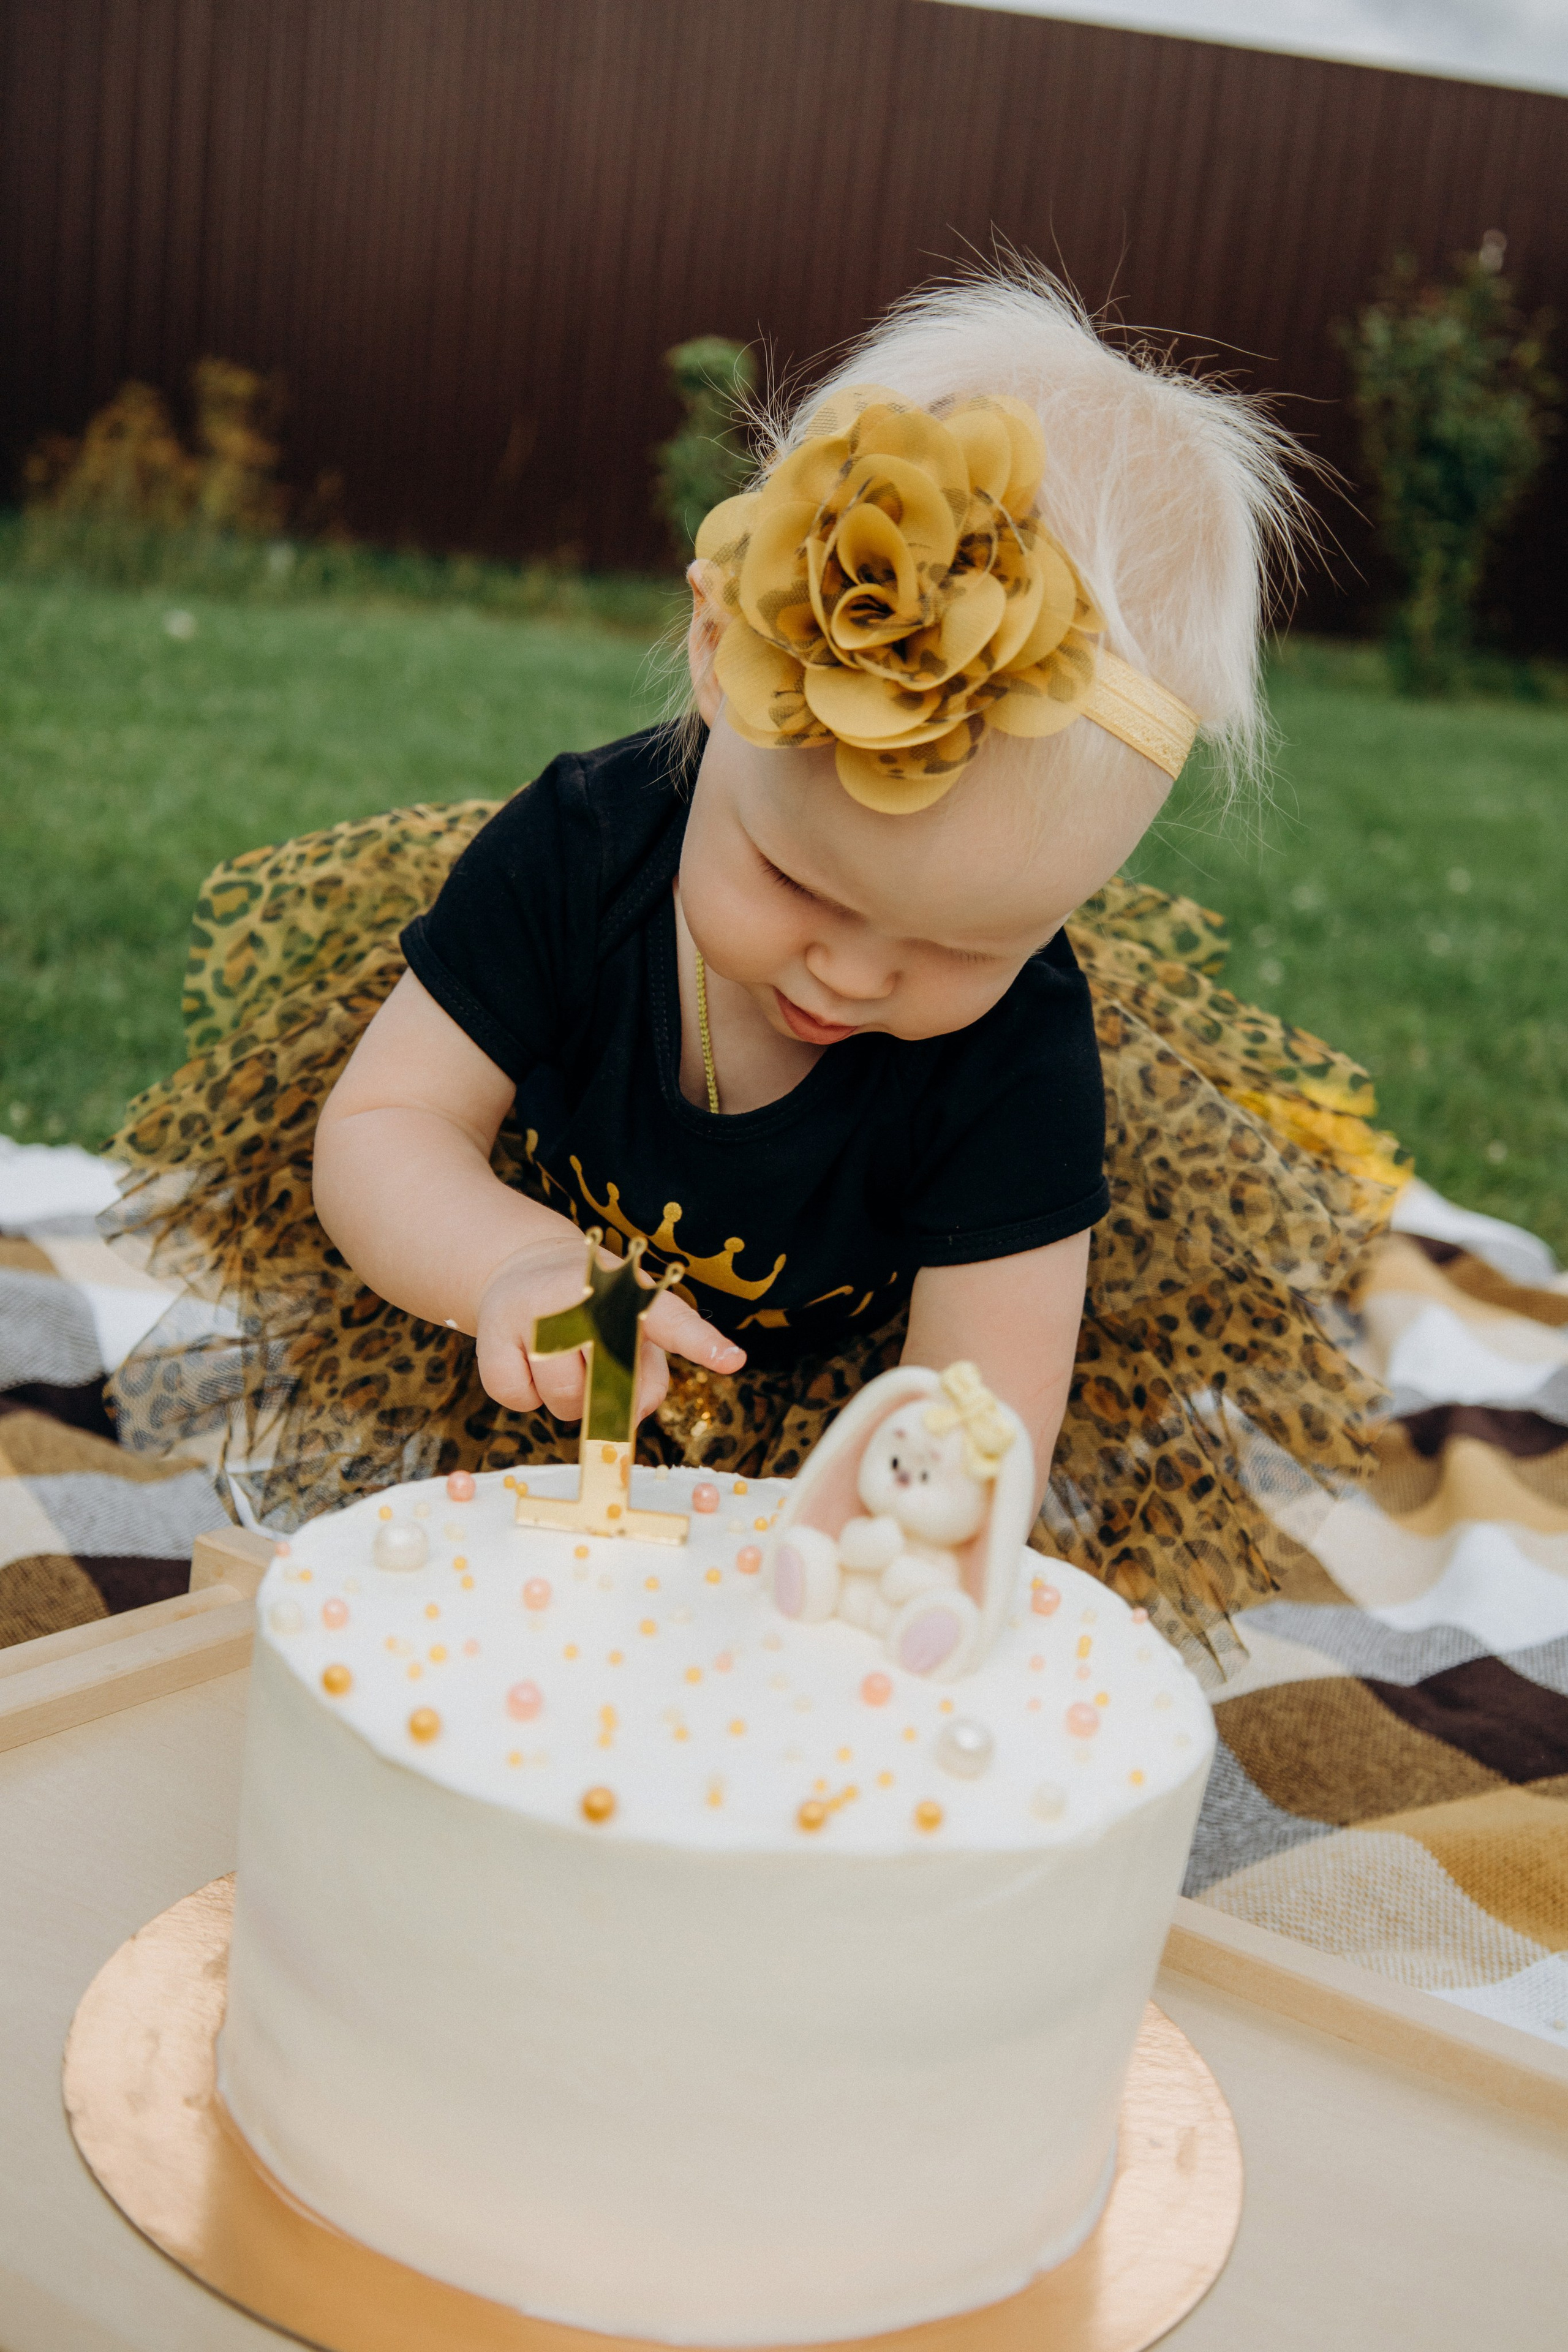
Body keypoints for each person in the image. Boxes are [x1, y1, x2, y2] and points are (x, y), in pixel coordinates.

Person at [107, 268, 1403, 1675]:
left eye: (964, 944)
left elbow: (973, 1418)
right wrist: (512, 1262)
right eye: (795, 882)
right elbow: (382, 1128)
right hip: (529, 1337)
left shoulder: (1018, 1056)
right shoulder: (578, 857)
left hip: (845, 1417)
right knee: (468, 1630)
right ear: (716, 654)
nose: (850, 976)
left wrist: (871, 1575)